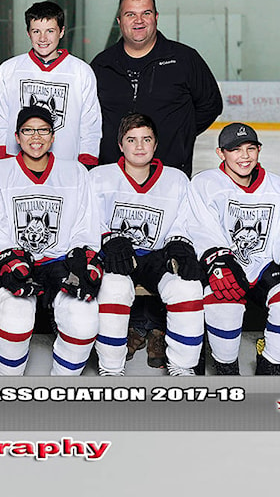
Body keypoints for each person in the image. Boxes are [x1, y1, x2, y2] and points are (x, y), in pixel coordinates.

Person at [90, 0, 223, 367]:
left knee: (167, 252)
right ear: (119, 21)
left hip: (170, 173)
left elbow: (210, 104)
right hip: (119, 177)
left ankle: (160, 329)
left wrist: (178, 134)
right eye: (130, 14)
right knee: (122, 250)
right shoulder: (103, 64)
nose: (138, 21)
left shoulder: (183, 59)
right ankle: (130, 325)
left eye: (145, 13)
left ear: (156, 17)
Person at [186, 123, 280, 375]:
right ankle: (226, 365)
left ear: (259, 150)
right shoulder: (205, 183)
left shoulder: (278, 186)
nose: (244, 156)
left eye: (251, 148)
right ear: (220, 153)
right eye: (235, 150)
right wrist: (219, 261)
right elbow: (202, 229)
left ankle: (270, 361)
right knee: (224, 303)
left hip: (263, 268)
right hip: (223, 265)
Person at [0, 105, 105, 376]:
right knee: (14, 316)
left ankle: (60, 391)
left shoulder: (75, 172)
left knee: (84, 320)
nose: (35, 137)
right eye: (28, 130)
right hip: (15, 263)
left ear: (53, 137)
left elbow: (85, 223)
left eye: (43, 131)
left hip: (58, 263)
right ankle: (9, 389)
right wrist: (8, 257)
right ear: (17, 136)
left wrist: (80, 257)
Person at [89, 112, 205, 376]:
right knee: (114, 289)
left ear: (155, 144)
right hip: (116, 258)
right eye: (131, 140)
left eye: (146, 139)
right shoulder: (99, 177)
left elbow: (184, 221)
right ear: (120, 145)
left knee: (187, 288)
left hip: (157, 256)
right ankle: (111, 367)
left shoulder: (176, 179)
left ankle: (182, 366)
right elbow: (87, 219)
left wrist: (178, 244)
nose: (139, 146)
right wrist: (108, 238)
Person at [0, 1, 102, 169]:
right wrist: (1, 159)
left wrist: (87, 162)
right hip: (15, 166)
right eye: (36, 31)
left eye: (50, 31)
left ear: (62, 31)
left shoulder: (81, 71)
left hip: (66, 166)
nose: (42, 38)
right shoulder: (9, 69)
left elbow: (90, 123)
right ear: (28, 33)